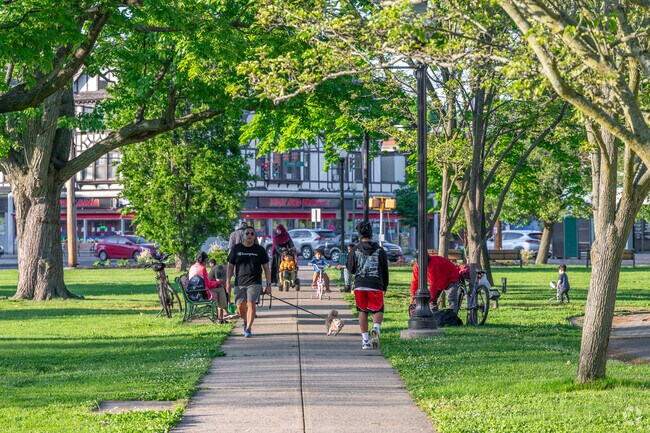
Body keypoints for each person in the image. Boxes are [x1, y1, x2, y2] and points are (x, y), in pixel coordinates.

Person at [346, 221, 389, 350]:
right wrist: (384, 286)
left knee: (362, 312)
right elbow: (384, 270)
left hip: (360, 285)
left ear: (359, 235)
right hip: (376, 284)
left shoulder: (355, 249)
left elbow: (351, 269)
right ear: (371, 234)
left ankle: (365, 341)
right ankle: (376, 328)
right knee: (378, 310)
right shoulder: (380, 250)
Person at [226, 227, 272, 338]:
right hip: (239, 282)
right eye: (247, 233)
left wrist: (268, 285)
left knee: (251, 305)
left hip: (254, 282)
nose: (250, 235)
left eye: (252, 233)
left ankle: (248, 328)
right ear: (243, 235)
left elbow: (266, 268)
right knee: (240, 307)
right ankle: (246, 320)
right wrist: (228, 282)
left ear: (254, 236)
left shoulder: (260, 250)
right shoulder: (236, 249)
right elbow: (230, 266)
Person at [189, 252, 228, 323]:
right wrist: (218, 282)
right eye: (206, 260)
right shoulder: (202, 269)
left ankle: (222, 315)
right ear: (203, 261)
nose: (207, 262)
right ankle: (223, 314)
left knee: (218, 289)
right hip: (202, 293)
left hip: (193, 292)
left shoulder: (192, 267)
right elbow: (209, 284)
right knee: (220, 289)